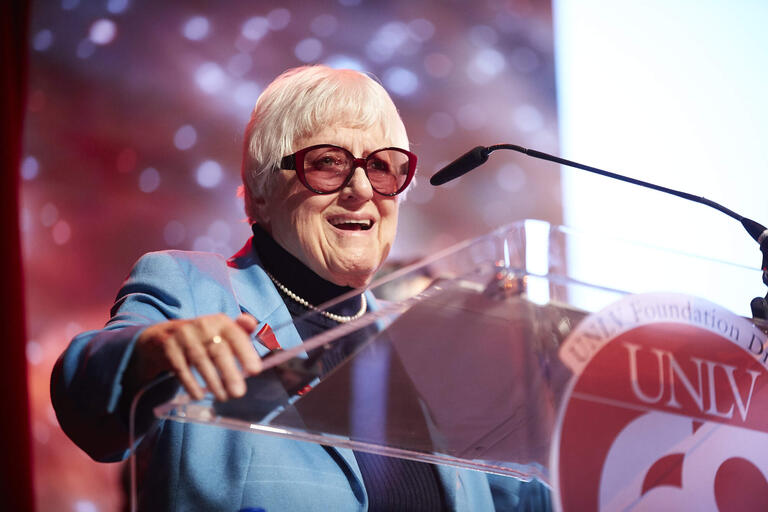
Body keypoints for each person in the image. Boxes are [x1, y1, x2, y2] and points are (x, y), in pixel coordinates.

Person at [51, 65, 550, 511]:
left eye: (381, 166)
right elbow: (85, 400)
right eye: (328, 162)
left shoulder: (430, 351)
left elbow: (529, 494)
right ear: (263, 188)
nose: (361, 190)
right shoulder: (191, 289)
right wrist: (151, 350)